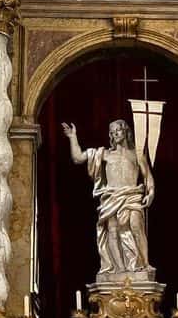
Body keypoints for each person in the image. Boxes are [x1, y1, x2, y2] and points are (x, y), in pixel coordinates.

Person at [62, 118, 154, 275]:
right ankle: (119, 269)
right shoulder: (104, 154)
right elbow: (78, 158)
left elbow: (147, 176)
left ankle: (144, 264)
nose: (114, 134)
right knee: (113, 230)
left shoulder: (137, 154)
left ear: (126, 131)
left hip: (131, 196)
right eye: (112, 132)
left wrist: (151, 192)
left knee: (136, 225)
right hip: (111, 198)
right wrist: (72, 137)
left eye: (118, 130)